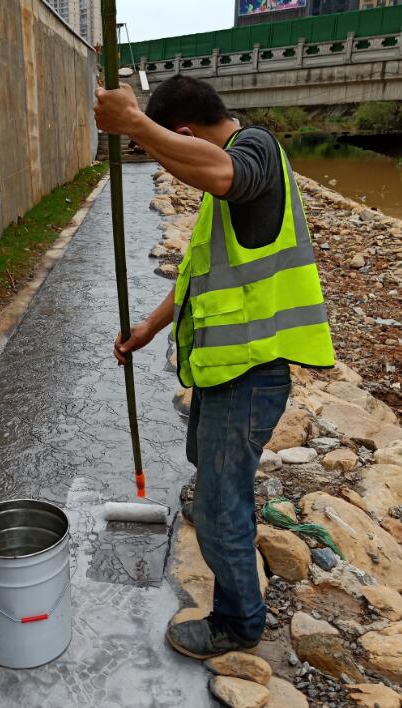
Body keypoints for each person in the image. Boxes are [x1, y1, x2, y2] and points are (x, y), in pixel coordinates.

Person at [94, 76, 333, 659]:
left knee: (222, 512)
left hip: (250, 373)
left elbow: (227, 175)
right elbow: (196, 276)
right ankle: (216, 501)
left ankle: (237, 621)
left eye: (165, 146)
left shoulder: (254, 151)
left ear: (183, 133)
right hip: (224, 370)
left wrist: (133, 127)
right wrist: (149, 327)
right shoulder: (222, 189)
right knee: (210, 472)